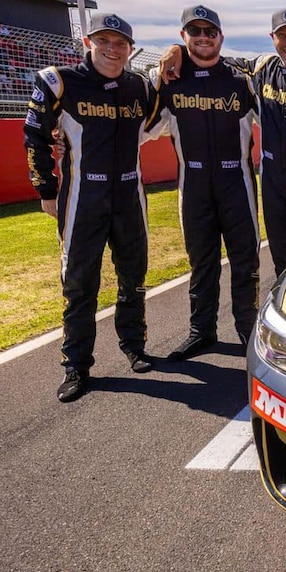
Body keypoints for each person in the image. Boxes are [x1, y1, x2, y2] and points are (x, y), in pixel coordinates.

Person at [159, 7, 286, 277]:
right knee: (283, 263)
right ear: (273, 38)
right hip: (273, 183)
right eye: (283, 36)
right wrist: (178, 49)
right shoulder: (261, 68)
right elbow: (210, 56)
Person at [23, 13, 156, 402]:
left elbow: (159, 120)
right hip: (84, 197)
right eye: (104, 41)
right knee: (79, 283)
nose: (112, 49)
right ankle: (76, 366)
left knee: (134, 276)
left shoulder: (141, 87)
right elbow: (34, 137)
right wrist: (46, 190)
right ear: (88, 43)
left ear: (130, 49)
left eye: (120, 43)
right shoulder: (58, 81)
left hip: (131, 196)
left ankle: (134, 344)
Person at [147, 5, 260, 361]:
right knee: (201, 263)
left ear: (221, 37)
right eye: (194, 32)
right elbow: (140, 128)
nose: (203, 38)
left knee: (245, 261)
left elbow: (277, 118)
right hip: (193, 185)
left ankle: (248, 330)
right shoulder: (168, 79)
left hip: (237, 183)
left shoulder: (242, 78)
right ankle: (201, 331)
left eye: (209, 31)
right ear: (183, 37)